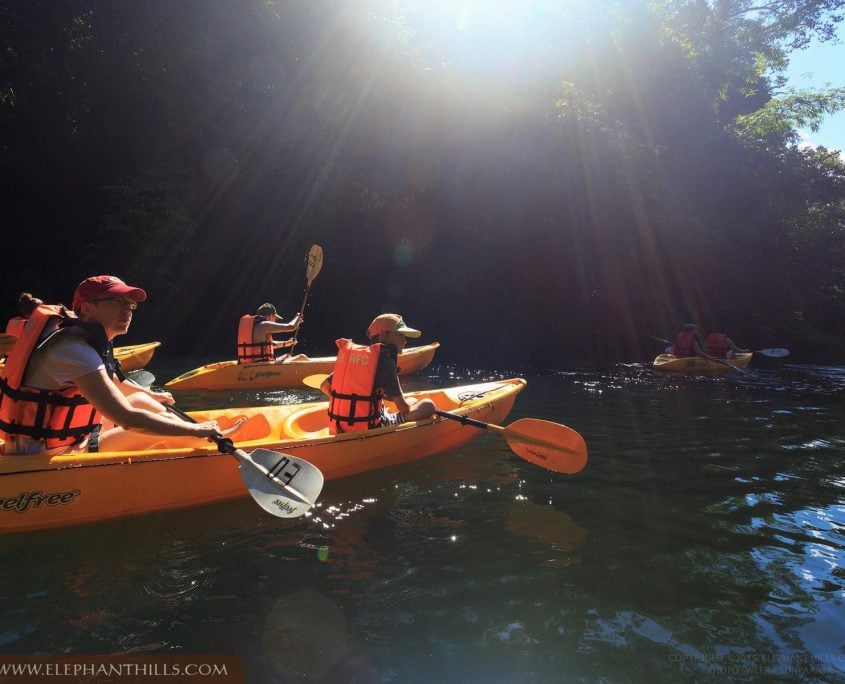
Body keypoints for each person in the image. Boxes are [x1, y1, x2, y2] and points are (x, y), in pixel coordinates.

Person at [0, 275, 234, 455]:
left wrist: (151, 394)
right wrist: (198, 429)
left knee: (141, 400)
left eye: (130, 304)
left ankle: (200, 440)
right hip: (48, 454)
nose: (127, 309)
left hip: (62, 441)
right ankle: (210, 443)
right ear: (87, 308)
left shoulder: (81, 341)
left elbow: (107, 381)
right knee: (143, 430)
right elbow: (127, 419)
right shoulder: (74, 351)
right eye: (117, 302)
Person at [319, 313, 435, 434]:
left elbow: (324, 386)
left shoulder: (355, 359)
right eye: (400, 335)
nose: (405, 340)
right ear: (384, 335)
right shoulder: (386, 361)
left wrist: (347, 406)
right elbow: (403, 407)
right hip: (372, 428)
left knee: (412, 400)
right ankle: (395, 420)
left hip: (339, 427)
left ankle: (380, 415)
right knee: (428, 405)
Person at [237, 303, 307, 364]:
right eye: (275, 318)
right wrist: (298, 317)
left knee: (287, 356)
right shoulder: (264, 325)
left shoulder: (253, 326)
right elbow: (291, 326)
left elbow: (269, 345)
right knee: (302, 357)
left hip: (253, 364)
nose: (275, 321)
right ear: (270, 316)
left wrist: (287, 343)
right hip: (262, 366)